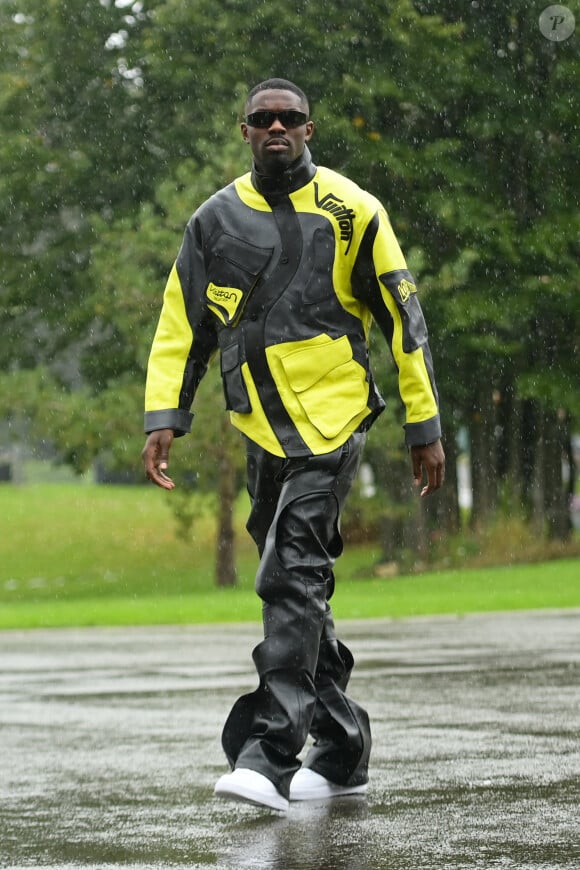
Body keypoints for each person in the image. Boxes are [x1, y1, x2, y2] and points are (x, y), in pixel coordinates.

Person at [141, 78, 445, 812]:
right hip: (257, 428)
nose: (277, 127)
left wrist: (423, 425)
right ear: (244, 131)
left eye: (291, 119)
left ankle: (270, 752)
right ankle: (342, 748)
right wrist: (165, 416)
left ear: (310, 130)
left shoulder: (356, 211)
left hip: (335, 423)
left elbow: (407, 323)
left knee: (290, 574)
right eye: (262, 119)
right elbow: (183, 325)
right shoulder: (211, 221)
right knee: (302, 587)